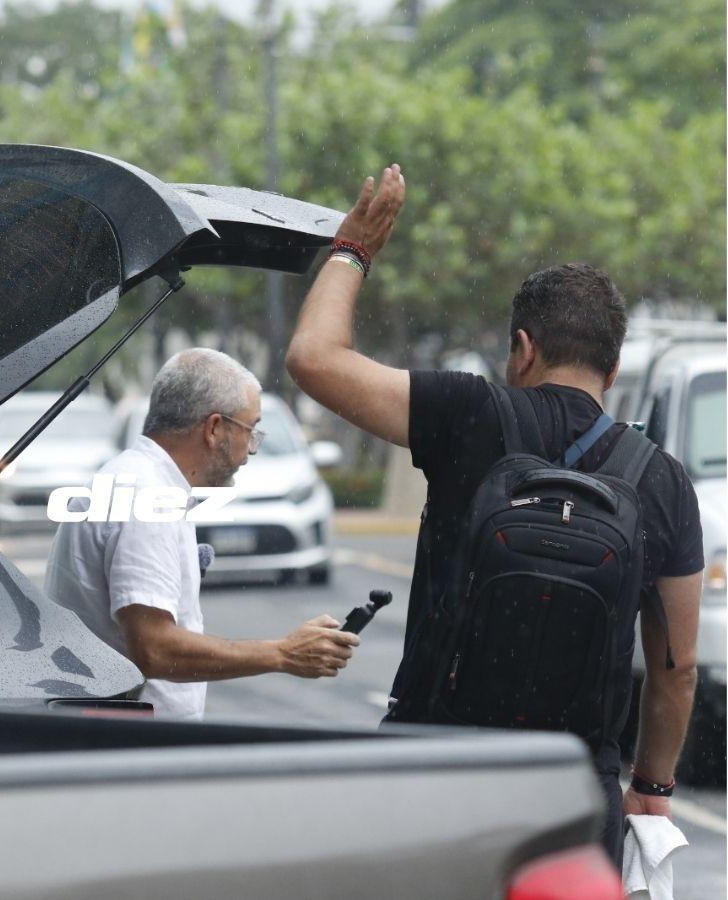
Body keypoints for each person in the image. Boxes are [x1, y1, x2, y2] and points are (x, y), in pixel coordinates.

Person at [284, 165, 703, 864]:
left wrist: (352, 249)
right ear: (615, 363)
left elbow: (313, 358)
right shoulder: (660, 482)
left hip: (436, 766)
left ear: (523, 349)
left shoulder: (468, 413)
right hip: (571, 791)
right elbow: (677, 668)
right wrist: (652, 788)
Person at [45, 347, 360, 720]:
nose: (252, 449)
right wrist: (282, 654)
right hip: (133, 748)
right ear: (214, 428)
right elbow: (154, 649)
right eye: (250, 430)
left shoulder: (134, 478)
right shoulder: (147, 498)